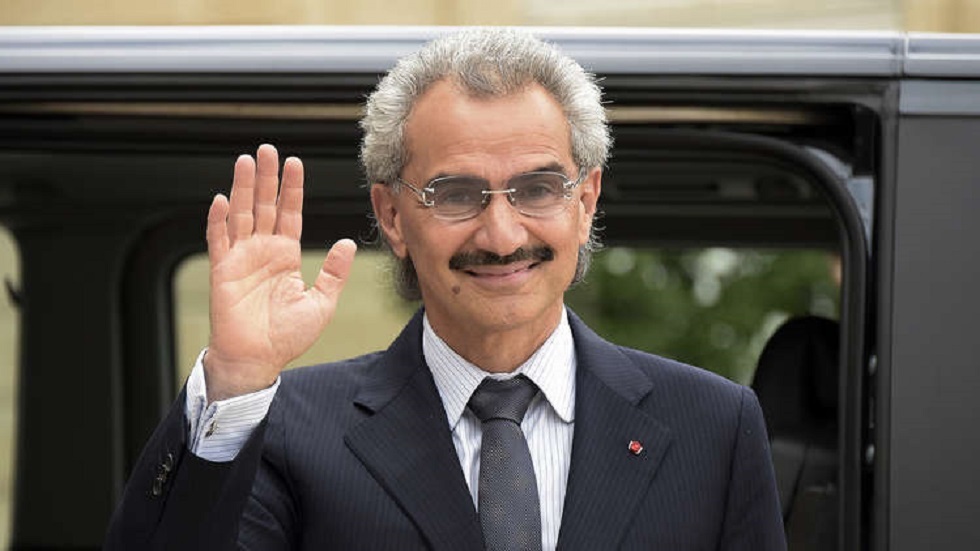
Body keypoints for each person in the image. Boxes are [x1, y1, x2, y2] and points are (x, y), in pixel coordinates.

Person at [105, 28, 785, 550]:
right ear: (392, 216)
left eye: (538, 188)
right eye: (456, 194)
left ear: (585, 202)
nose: (501, 235)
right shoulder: (287, 428)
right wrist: (236, 379)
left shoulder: (713, 427)